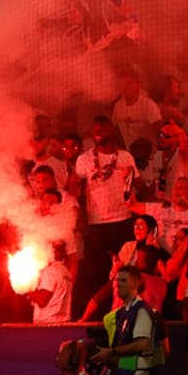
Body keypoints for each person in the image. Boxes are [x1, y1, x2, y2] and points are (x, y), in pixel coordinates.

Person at [73, 116, 138, 316]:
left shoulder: (125, 157)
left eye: (102, 128)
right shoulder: (83, 160)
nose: (98, 132)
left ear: (111, 130)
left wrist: (130, 176)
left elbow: (138, 187)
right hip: (97, 223)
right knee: (96, 273)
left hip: (123, 220)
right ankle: (96, 316)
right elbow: (75, 190)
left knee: (125, 269)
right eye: (95, 130)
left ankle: (125, 312)